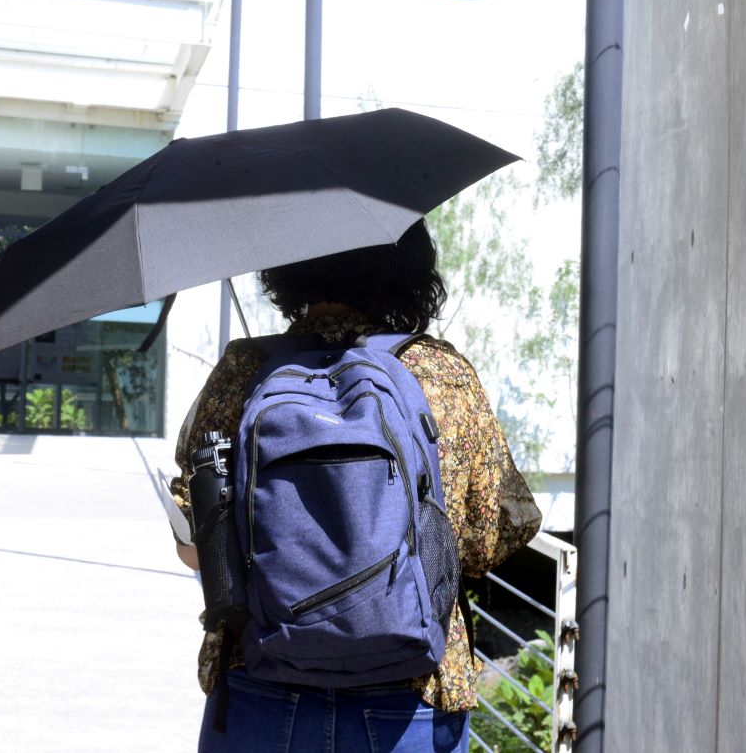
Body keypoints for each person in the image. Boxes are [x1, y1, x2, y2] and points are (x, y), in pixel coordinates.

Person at [169, 219, 542, 752]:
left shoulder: (244, 370)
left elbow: (196, 550)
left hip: (262, 680)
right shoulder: (439, 373)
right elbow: (487, 540)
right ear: (407, 268)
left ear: (288, 269)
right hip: (412, 690)